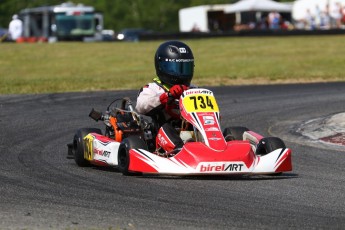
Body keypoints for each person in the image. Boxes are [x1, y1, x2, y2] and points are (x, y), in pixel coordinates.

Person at [135, 40, 195, 154]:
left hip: (191, 128)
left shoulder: (194, 89)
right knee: (166, 127)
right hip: (162, 130)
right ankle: (179, 151)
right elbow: (141, 106)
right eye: (175, 68)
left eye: (185, 68)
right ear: (162, 66)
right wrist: (166, 97)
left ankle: (216, 146)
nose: (181, 74)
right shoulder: (153, 88)